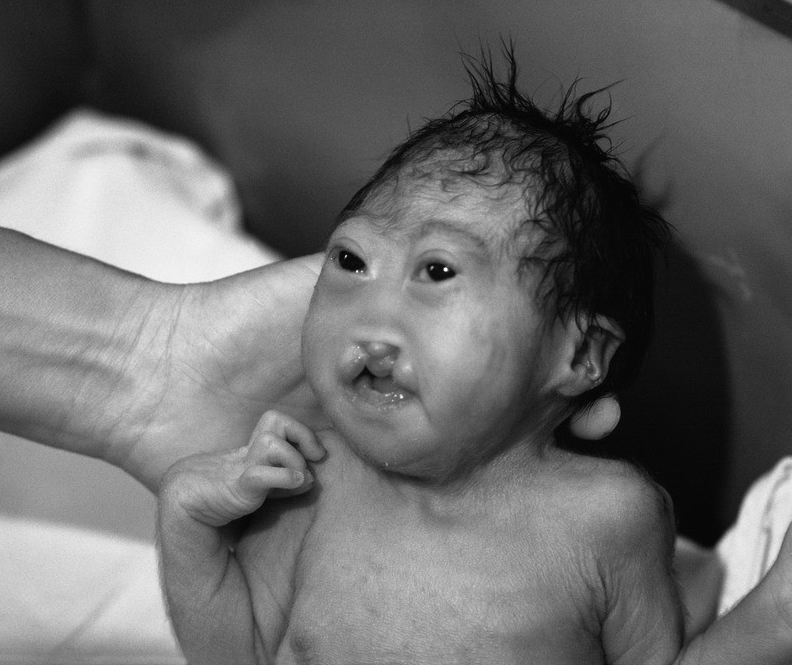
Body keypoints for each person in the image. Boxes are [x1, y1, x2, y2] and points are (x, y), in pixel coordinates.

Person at [157, 53, 792, 664]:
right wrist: (187, 518)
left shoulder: (606, 520)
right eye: (351, 260)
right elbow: (239, 652)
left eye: (436, 271)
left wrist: (776, 617)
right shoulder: (311, 481)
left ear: (579, 354)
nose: (371, 316)